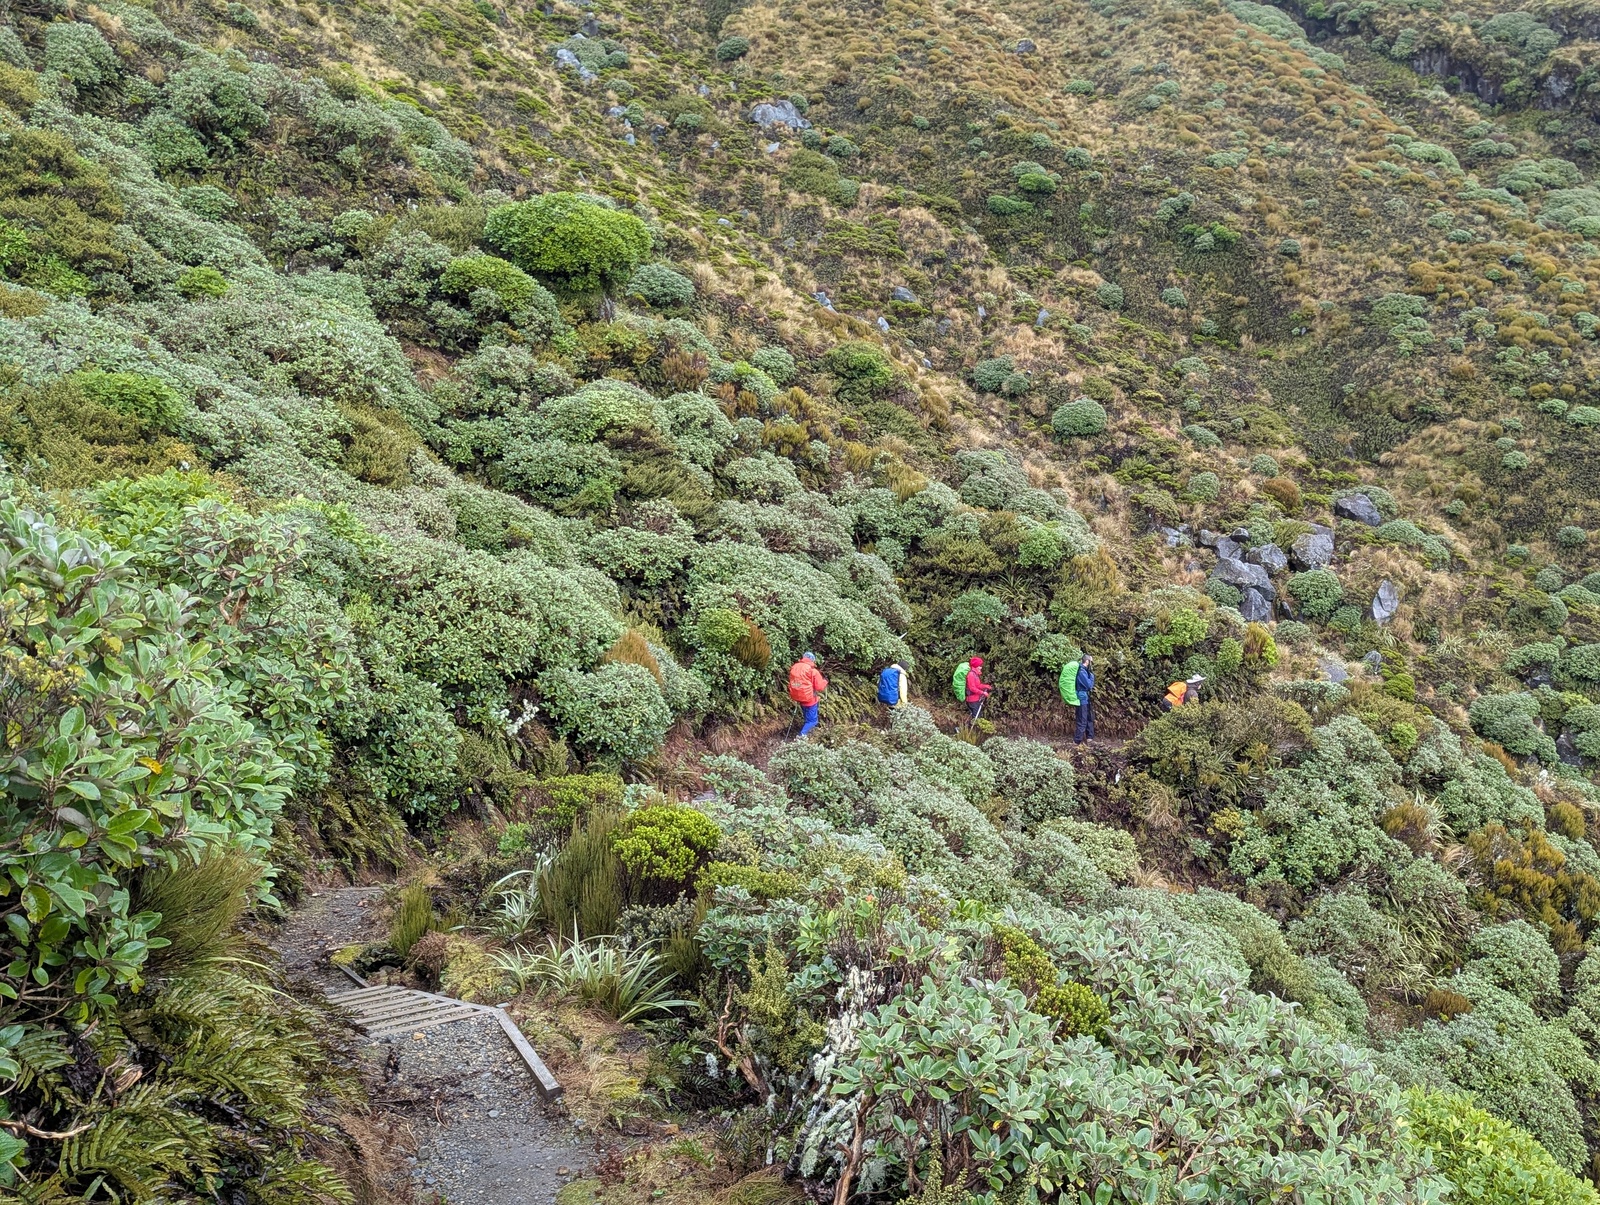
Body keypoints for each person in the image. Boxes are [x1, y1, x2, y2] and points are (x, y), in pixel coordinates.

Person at [787, 651, 828, 736]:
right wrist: (825, 681)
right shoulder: (812, 671)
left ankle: (807, 736)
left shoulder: (794, 667)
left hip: (799, 698)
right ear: (812, 660)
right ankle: (801, 738)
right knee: (812, 721)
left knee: (807, 719)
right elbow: (819, 687)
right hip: (810, 700)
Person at [1074, 654, 1096, 744]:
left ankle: (1089, 737)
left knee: (1089, 717)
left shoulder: (1084, 671)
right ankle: (1077, 741)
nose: (1092, 664)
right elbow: (1089, 685)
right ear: (1087, 661)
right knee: (1082, 719)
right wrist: (1092, 676)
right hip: (1082, 698)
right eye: (1091, 662)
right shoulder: (1081, 672)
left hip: (1086, 697)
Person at [964, 655, 992, 723]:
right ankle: (967, 730)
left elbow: (978, 685)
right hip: (972, 700)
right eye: (979, 666)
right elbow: (972, 688)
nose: (981, 667)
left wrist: (986, 686)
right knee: (976, 718)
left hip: (975, 699)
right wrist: (983, 693)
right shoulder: (971, 675)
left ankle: (965, 729)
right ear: (975, 666)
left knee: (976, 716)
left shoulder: (975, 674)